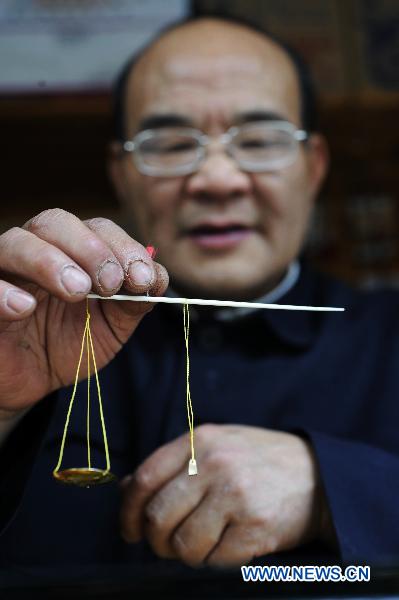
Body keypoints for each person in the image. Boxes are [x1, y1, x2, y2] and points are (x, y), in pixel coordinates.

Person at [0, 16, 398, 571]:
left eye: (259, 140)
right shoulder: (35, 332)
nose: (216, 178)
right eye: (169, 143)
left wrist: (333, 489)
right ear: (122, 173)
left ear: (313, 167)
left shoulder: (389, 337)